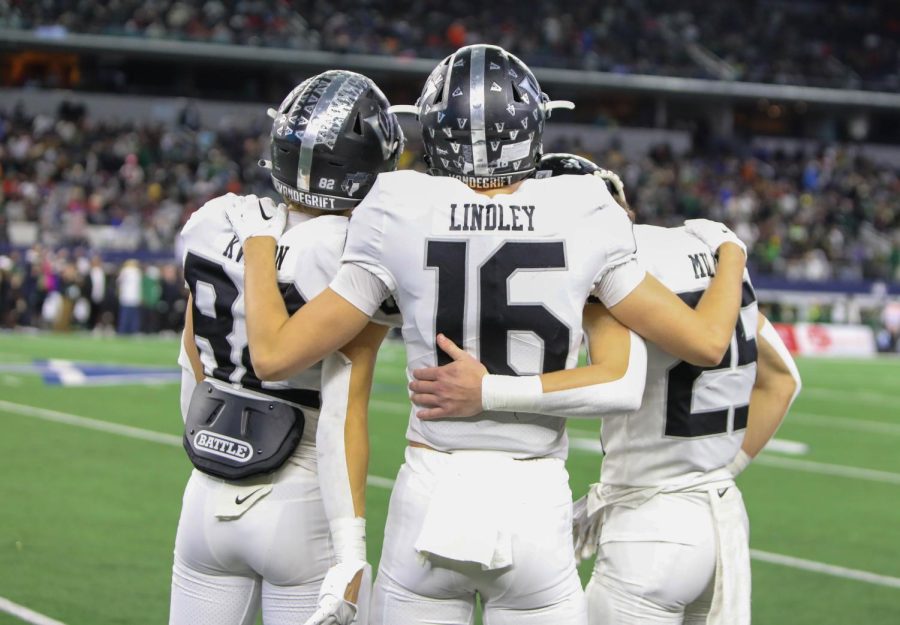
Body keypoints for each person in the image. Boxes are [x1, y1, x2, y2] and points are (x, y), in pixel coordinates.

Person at [232, 44, 747, 625]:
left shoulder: (397, 203)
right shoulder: (582, 205)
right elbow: (705, 343)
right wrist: (731, 250)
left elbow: (276, 357)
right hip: (532, 499)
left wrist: (259, 243)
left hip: (428, 489)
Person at [415, 153, 802, 625]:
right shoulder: (709, 246)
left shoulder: (610, 268)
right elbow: (784, 380)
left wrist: (489, 391)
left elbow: (622, 378)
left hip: (649, 527)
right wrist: (717, 471)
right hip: (721, 522)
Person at [170, 70, 404, 625]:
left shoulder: (216, 219)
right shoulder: (354, 248)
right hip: (299, 494)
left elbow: (192, 360)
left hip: (206, 486)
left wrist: (211, 454)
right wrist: (351, 548)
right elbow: (345, 404)